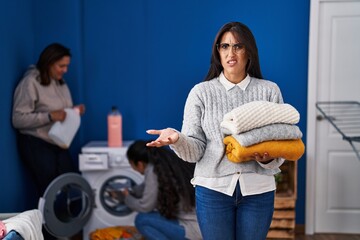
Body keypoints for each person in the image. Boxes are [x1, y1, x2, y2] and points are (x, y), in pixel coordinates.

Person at [146, 22, 286, 240]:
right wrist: (177, 140)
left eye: (238, 46)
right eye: (225, 46)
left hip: (258, 190)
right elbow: (195, 150)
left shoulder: (269, 91)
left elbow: (279, 145)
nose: (231, 53)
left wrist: (268, 158)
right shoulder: (201, 93)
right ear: (217, 52)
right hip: (213, 191)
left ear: (249, 51)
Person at [12, 43, 85, 200]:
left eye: (67, 66)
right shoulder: (30, 82)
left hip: (58, 142)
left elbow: (62, 111)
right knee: (48, 190)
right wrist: (49, 116)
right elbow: (18, 119)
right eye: (61, 66)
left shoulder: (60, 82)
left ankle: (70, 223)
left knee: (70, 183)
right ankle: (46, 224)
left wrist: (74, 111)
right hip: (36, 143)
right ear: (49, 62)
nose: (65, 70)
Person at [113, 140, 201, 240]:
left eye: (131, 164)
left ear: (140, 164)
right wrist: (123, 194)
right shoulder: (166, 164)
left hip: (193, 230)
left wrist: (127, 198)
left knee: (141, 220)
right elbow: (142, 189)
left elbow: (145, 207)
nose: (133, 168)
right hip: (201, 226)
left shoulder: (152, 171)